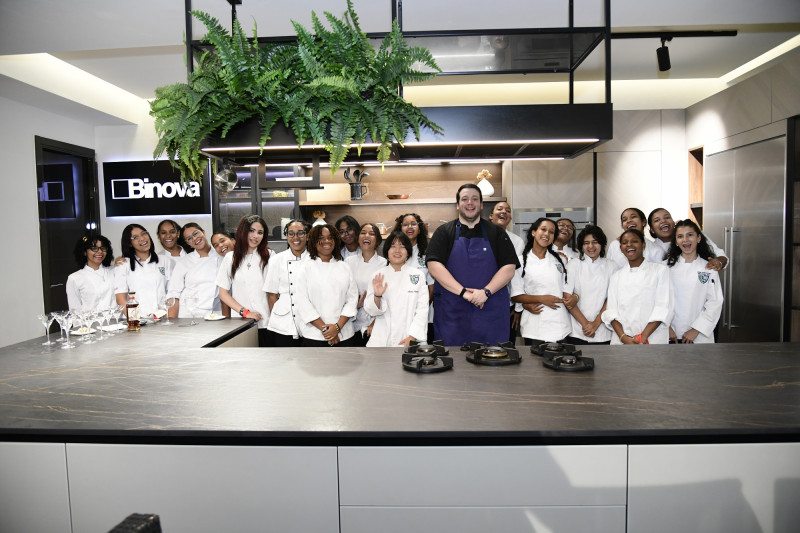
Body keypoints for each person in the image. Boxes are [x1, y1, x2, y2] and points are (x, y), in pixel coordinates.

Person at [426, 183, 519, 346]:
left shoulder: (497, 233)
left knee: (492, 363)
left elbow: (509, 268)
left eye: (475, 199)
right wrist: (464, 293)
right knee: (453, 364)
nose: (470, 203)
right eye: (465, 199)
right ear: (457, 205)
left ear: (481, 205)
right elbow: (434, 266)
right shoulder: (443, 232)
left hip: (490, 313)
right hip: (452, 314)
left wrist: (485, 292)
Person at [602, 229, 674, 344]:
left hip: (652, 339)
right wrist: (623, 337)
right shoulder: (616, 276)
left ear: (643, 245)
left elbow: (663, 307)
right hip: (622, 341)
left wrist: (643, 336)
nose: (629, 245)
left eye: (634, 241)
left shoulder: (660, 271)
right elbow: (611, 311)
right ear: (621, 248)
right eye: (624, 243)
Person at [510, 218, 573, 344]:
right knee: (534, 362)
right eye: (543, 229)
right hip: (534, 324)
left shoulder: (560, 261)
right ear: (533, 232)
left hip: (559, 323)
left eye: (551, 232)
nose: (546, 234)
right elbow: (516, 296)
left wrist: (573, 297)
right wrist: (542, 299)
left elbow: (567, 288)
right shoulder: (520, 262)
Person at [293, 224, 358, 347]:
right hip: (314, 335)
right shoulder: (306, 268)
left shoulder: (345, 267)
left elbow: (352, 300)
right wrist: (327, 331)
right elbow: (303, 302)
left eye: (330, 237)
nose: (326, 241)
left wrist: (337, 328)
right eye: (321, 238)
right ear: (313, 242)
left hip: (344, 334)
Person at [364, 232, 429, 347]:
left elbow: (422, 310)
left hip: (409, 338)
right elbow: (370, 310)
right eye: (393, 246)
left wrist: (413, 337)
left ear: (408, 252)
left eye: (402, 246)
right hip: (382, 340)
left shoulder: (418, 275)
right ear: (387, 251)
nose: (397, 250)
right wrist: (377, 296)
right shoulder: (378, 276)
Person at [216, 215, 272, 346]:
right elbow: (223, 293)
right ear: (243, 231)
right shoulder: (230, 258)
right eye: (251, 231)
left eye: (260, 232)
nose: (255, 236)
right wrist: (244, 312)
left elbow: (274, 293)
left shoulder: (270, 256)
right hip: (241, 324)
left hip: (267, 324)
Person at [665, 219, 724, 343]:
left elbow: (715, 302)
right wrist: (666, 327)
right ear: (676, 241)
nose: (685, 240)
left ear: (698, 238)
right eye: (680, 236)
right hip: (670, 334)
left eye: (690, 235)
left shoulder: (709, 268)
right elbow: (658, 300)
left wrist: (696, 329)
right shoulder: (665, 267)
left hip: (699, 336)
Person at [563, 225, 616, 345]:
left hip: (603, 331)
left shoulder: (611, 266)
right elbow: (567, 298)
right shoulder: (574, 264)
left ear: (602, 244)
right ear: (581, 246)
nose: (591, 246)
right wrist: (586, 324)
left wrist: (596, 323)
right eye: (586, 243)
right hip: (577, 330)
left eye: (595, 242)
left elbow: (612, 298)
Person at [264, 220, 311, 347]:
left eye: (300, 233)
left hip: (310, 321)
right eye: (291, 233)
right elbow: (272, 295)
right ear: (286, 236)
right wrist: (278, 317)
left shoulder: (314, 259)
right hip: (282, 323)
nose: (296, 238)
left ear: (307, 236)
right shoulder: (276, 260)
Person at [391, 213, 435, 342]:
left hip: (425, 316)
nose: (409, 227)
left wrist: (420, 310)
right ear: (400, 229)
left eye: (413, 224)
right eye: (405, 224)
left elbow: (431, 288)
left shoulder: (427, 254)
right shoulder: (395, 254)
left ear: (420, 229)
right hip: (400, 316)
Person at [168, 223, 224, 318]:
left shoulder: (222, 257)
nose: (194, 238)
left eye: (196, 233)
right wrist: (171, 324)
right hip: (189, 315)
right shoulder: (184, 262)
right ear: (188, 243)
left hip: (215, 314)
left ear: (203, 232)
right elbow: (173, 294)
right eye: (189, 238)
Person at [345, 223, 387, 345]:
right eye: (363, 233)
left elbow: (388, 300)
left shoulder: (385, 264)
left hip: (375, 325)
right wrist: (356, 304)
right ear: (358, 238)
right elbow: (343, 294)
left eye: (372, 233)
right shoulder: (348, 262)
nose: (366, 236)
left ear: (378, 240)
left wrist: (374, 324)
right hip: (351, 323)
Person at [488, 201, 524, 342]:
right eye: (500, 209)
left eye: (508, 210)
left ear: (510, 218)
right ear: (491, 216)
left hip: (507, 303)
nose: (504, 212)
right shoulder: (479, 237)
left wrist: (517, 307)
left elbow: (518, 276)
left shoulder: (517, 241)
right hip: (480, 300)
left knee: (506, 345)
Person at [648, 208, 728, 271]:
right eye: (657, 220)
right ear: (652, 229)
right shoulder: (652, 249)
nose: (663, 221)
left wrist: (719, 262)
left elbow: (721, 256)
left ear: (673, 222)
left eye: (667, 217)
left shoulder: (694, 236)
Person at [114, 224, 167, 317]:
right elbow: (121, 299)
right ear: (129, 243)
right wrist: (136, 320)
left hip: (162, 318)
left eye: (144, 234)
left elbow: (171, 293)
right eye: (135, 237)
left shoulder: (164, 260)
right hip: (137, 321)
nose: (142, 239)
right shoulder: (123, 265)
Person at [66, 233, 116, 312]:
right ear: (85, 252)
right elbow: (75, 311)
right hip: (90, 323)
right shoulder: (75, 278)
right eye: (94, 248)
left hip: (117, 322)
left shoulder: (115, 271)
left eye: (103, 248)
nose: (100, 251)